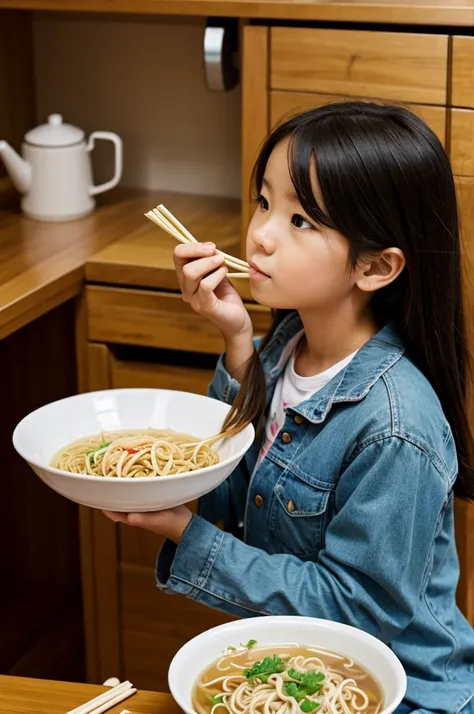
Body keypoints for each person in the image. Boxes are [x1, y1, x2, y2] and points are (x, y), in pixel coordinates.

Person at [105, 102, 474, 713]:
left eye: (301, 219)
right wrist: (234, 339)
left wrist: (183, 533)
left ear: (375, 266)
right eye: (264, 201)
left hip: (405, 695)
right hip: (305, 675)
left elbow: (358, 615)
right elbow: (231, 497)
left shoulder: (394, 426)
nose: (260, 234)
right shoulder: (284, 350)